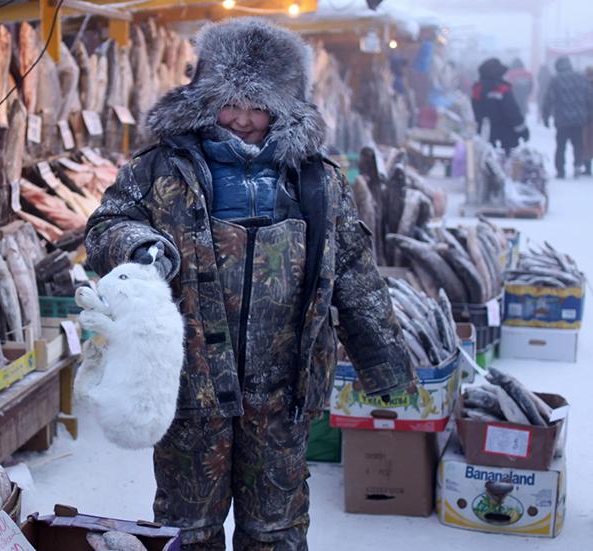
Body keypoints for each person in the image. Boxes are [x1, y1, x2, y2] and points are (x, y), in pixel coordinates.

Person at [85, 18, 416, 550]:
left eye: (257, 106)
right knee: (187, 528)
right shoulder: (159, 169)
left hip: (282, 389)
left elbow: (352, 268)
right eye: (229, 103)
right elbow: (104, 226)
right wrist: (136, 244)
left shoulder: (316, 179)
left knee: (276, 529)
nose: (241, 119)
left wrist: (385, 365)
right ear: (204, 98)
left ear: (284, 106)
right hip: (190, 383)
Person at [542, 56, 593, 178]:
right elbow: (589, 98)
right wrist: (590, 115)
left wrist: (546, 116)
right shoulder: (581, 78)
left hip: (562, 120)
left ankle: (560, 170)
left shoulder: (555, 80)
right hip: (579, 119)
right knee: (578, 144)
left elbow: (548, 99)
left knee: (561, 145)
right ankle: (577, 166)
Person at [471, 58, 529, 154]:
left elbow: (476, 112)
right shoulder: (502, 89)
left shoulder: (477, 89)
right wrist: (523, 131)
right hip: (506, 138)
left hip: (485, 137)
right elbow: (512, 112)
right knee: (504, 165)